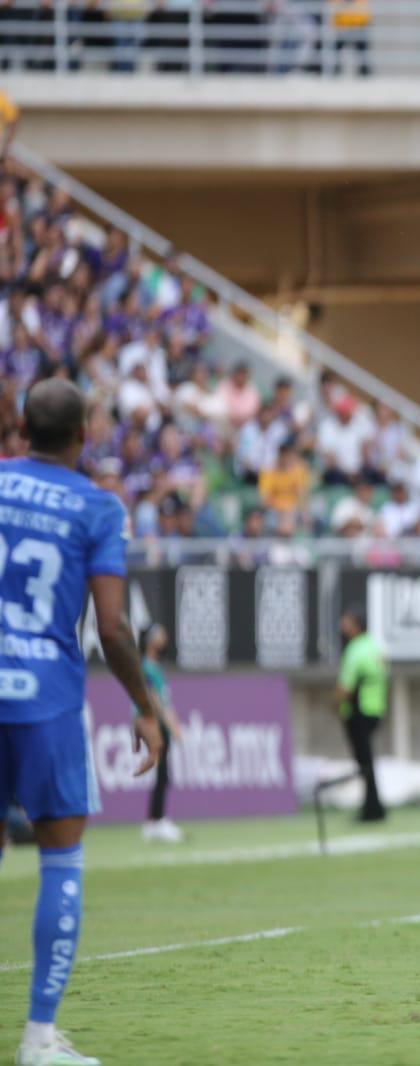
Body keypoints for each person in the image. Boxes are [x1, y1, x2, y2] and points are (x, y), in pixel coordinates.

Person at [1, 379, 163, 1066]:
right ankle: (39, 1039)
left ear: (22, 426)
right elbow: (113, 627)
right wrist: (146, 708)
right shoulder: (97, 507)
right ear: (83, 434)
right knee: (60, 860)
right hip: (47, 700)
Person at [335, 607, 389, 822]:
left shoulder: (354, 650)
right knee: (367, 762)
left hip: (359, 711)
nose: (342, 627)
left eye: (346, 623)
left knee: (364, 763)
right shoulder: (374, 646)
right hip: (376, 708)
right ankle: (373, 805)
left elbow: (345, 687)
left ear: (356, 626)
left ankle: (372, 808)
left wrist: (335, 705)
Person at [138, 624, 186, 843]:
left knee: (163, 774)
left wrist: (173, 724)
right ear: (150, 641)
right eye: (160, 635)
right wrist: (171, 725)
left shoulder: (156, 668)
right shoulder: (146, 667)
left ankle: (153, 821)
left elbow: (165, 700)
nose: (164, 639)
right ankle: (157, 821)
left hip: (161, 725)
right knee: (162, 774)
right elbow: (155, 700)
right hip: (153, 725)